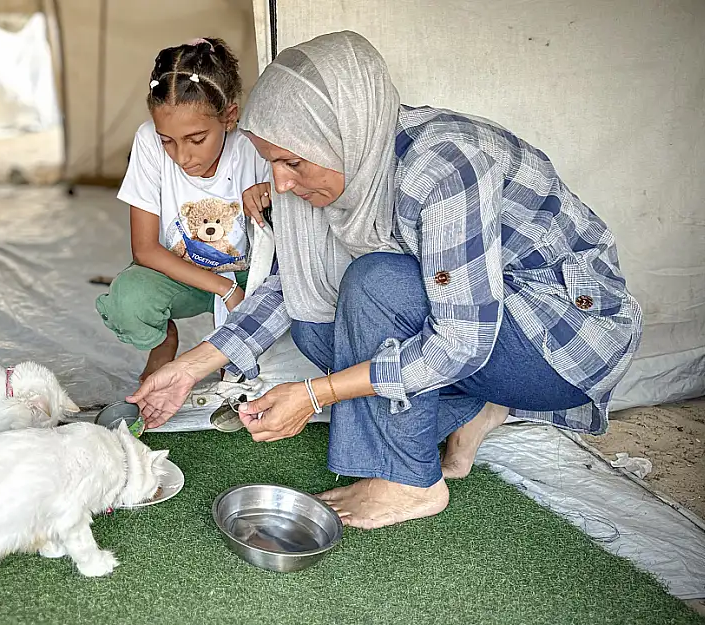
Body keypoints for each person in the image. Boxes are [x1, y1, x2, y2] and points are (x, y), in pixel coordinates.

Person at [128, 31, 643, 530]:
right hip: (490, 325)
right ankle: (474, 409)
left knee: (374, 283)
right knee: (317, 323)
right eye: (271, 162)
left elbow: (462, 340)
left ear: (341, 131)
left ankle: (412, 482)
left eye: (292, 162)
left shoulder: (442, 167)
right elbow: (290, 287)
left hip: (562, 337)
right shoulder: (342, 165)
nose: (279, 182)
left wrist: (314, 395)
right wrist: (191, 368)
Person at [94, 37, 272, 382]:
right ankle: (163, 340)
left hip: (251, 279)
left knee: (252, 373)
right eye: (168, 141)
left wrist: (269, 193)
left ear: (230, 117)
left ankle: (231, 351)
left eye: (196, 139)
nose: (181, 156)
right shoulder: (146, 141)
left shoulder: (255, 142)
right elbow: (144, 249)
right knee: (127, 300)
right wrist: (224, 289)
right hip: (181, 276)